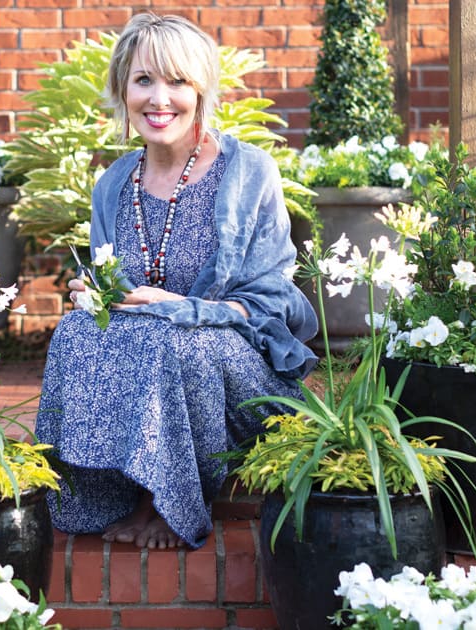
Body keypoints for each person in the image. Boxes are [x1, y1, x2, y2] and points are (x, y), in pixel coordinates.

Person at [34, 13, 318, 550]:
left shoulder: (249, 172)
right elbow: (113, 287)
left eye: (177, 81)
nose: (158, 98)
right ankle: (106, 492)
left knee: (171, 340)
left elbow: (271, 303)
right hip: (151, 361)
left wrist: (178, 307)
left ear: (201, 90)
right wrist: (92, 294)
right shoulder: (114, 183)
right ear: (123, 88)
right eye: (143, 80)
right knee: (76, 334)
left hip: (237, 372)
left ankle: (168, 503)